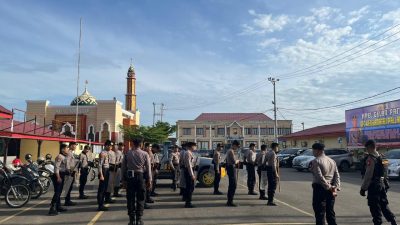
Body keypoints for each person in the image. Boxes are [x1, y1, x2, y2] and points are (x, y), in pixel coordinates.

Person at [360, 140, 397, 225]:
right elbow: (386, 171)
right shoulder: (383, 157)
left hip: (374, 186)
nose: (367, 150)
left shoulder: (370, 158)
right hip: (382, 184)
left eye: (367, 148)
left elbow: (368, 175)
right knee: (384, 205)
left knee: (375, 208)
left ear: (370, 147)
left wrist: (363, 188)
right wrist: (385, 182)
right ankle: (392, 220)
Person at [121, 138, 152, 225]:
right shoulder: (145, 154)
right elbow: (148, 168)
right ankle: (139, 219)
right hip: (140, 176)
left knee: (130, 198)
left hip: (130, 176)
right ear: (141, 144)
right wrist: (150, 179)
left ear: (133, 144)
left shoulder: (127, 153)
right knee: (141, 197)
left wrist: (123, 180)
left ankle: (131, 220)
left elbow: (123, 167)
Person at [310, 143, 340, 225]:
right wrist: (336, 186)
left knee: (320, 213)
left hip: (320, 189)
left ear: (318, 150)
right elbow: (337, 175)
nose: (313, 152)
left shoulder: (316, 161)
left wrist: (328, 187)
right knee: (330, 212)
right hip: (331, 189)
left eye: (313, 150)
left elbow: (319, 177)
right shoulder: (332, 160)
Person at [49, 144, 69, 216]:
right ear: (62, 149)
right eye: (67, 148)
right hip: (58, 175)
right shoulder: (59, 156)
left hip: (62, 175)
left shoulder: (64, 156)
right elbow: (56, 168)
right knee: (57, 192)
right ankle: (52, 208)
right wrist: (58, 177)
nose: (68, 149)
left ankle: (58, 206)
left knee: (59, 192)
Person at [97, 140, 113, 211]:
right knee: (102, 189)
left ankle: (102, 203)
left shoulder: (107, 153)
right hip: (103, 171)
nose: (111, 147)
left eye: (111, 146)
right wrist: (101, 175)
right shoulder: (102, 153)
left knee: (105, 188)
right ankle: (100, 205)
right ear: (106, 145)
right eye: (110, 145)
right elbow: (100, 165)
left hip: (107, 170)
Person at [226, 140, 240, 207]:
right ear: (234, 145)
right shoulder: (231, 151)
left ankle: (230, 200)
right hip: (231, 168)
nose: (237, 148)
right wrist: (238, 160)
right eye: (237, 146)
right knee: (233, 185)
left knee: (232, 185)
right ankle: (230, 201)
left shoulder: (230, 151)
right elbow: (234, 161)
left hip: (230, 168)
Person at [64, 142, 78, 206]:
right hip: (70, 171)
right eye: (74, 145)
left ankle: (68, 200)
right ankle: (67, 201)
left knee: (69, 186)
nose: (75, 147)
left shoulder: (71, 152)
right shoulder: (69, 153)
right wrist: (68, 170)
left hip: (72, 171)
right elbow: (67, 162)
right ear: (71, 146)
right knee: (68, 187)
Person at [183, 142, 197, 208]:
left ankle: (188, 201)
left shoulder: (190, 153)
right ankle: (188, 202)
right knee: (189, 187)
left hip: (190, 170)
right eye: (195, 146)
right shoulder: (188, 153)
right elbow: (189, 165)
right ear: (191, 146)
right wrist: (192, 174)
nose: (195, 147)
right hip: (189, 171)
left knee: (190, 187)